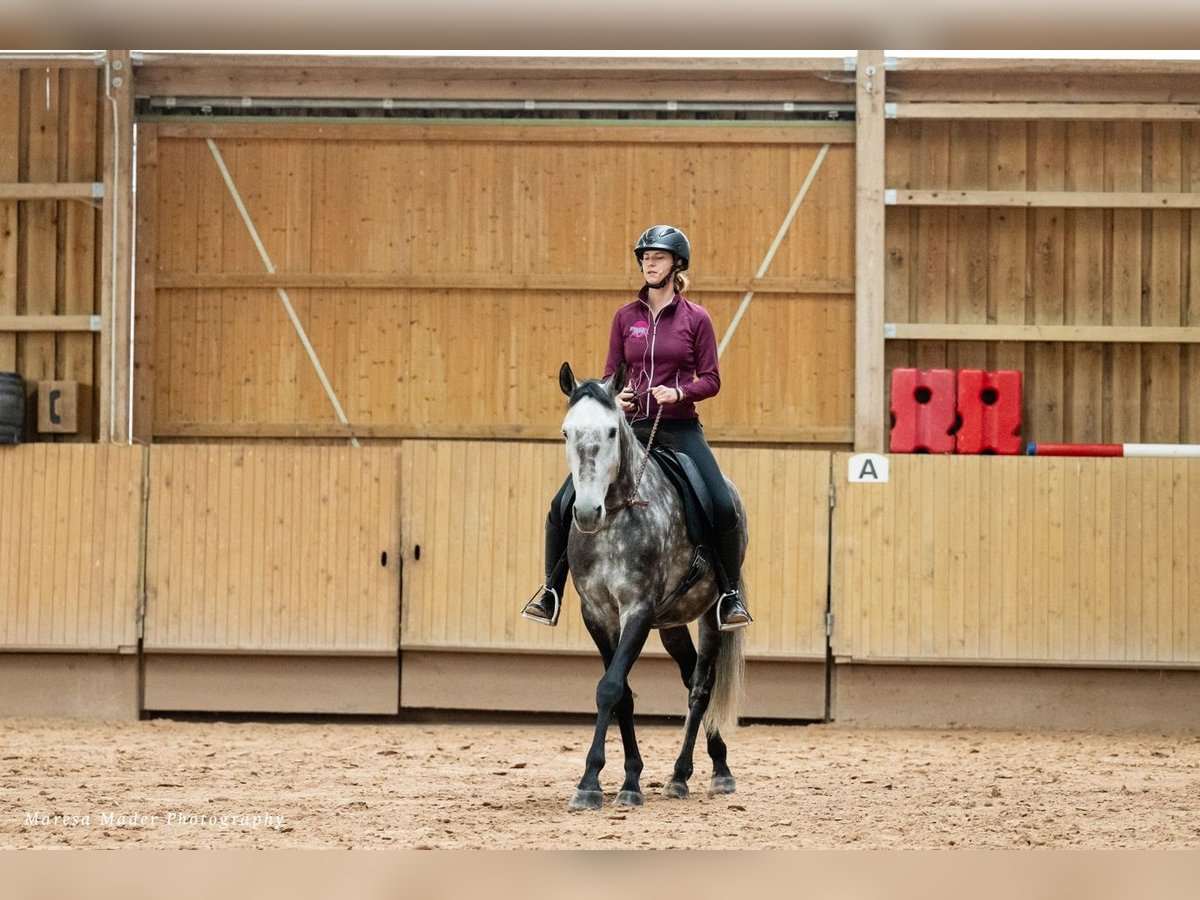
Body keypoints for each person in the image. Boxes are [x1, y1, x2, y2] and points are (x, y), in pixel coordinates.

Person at [521, 224, 752, 631]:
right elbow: (612, 373)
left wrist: (679, 393)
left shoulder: (696, 319)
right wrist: (617, 398)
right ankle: (550, 590)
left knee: (721, 502)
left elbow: (711, 380)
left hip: (679, 428)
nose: (649, 262)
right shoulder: (625, 317)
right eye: (645, 256)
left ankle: (729, 595)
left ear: (676, 265)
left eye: (658, 256)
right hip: (628, 430)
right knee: (561, 505)